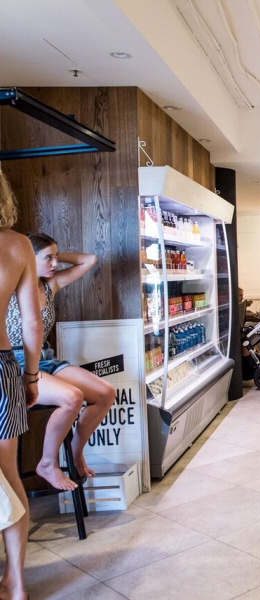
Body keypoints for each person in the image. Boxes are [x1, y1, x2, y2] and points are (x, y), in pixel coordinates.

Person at [6, 233, 114, 491]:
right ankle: (47, 462)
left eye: (56, 257)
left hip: (46, 358)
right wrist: (28, 255)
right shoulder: (8, 285)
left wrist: (53, 254)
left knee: (105, 393)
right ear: (28, 258)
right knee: (72, 397)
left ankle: (76, 452)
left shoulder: (49, 285)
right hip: (17, 363)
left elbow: (89, 260)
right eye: (48, 258)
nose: (55, 264)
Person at [0, 170, 42, 600]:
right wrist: (31, 377)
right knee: (8, 477)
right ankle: (15, 582)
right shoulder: (17, 245)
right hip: (2, 371)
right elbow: (31, 322)